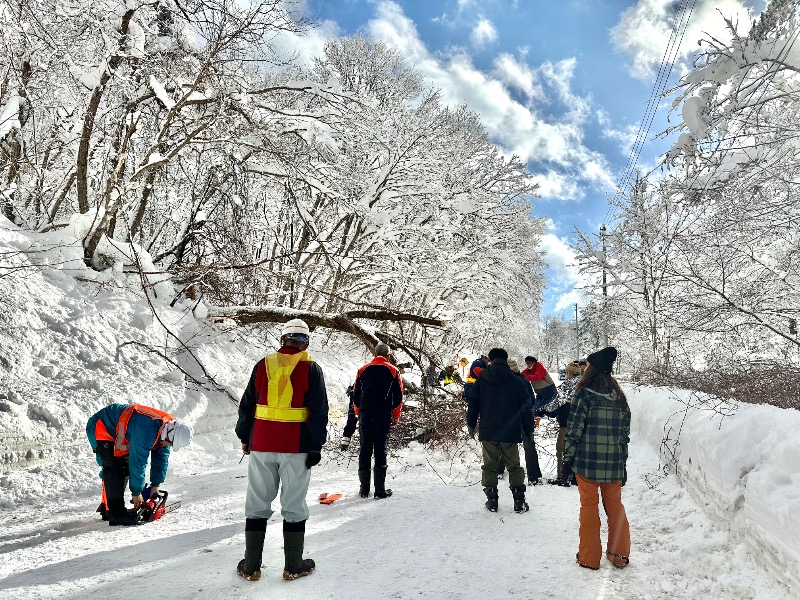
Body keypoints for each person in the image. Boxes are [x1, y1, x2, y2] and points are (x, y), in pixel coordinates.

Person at [235, 318, 329, 582]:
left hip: (262, 445)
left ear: (282, 340)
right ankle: (293, 566)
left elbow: (247, 406)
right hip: (296, 448)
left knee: (257, 503)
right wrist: (315, 446)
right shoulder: (312, 368)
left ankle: (251, 566)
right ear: (306, 342)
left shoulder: (263, 365)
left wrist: (245, 437)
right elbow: (319, 412)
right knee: (294, 505)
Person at [562, 346, 631, 571]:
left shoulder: (584, 395)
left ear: (592, 370)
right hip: (613, 466)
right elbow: (624, 436)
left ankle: (589, 558)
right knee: (616, 508)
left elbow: (573, 432)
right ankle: (619, 554)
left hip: (587, 464)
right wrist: (623, 463)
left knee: (589, 509)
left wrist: (567, 462)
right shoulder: (619, 399)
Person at [86, 403, 193, 526]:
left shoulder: (168, 429)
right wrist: (136, 493)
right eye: (169, 443)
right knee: (114, 468)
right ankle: (116, 514)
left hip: (120, 429)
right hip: (101, 425)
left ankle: (108, 508)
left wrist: (155, 485)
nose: (168, 445)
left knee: (123, 468)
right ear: (170, 434)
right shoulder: (148, 430)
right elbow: (138, 462)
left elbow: (161, 458)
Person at [466, 348, 534, 514]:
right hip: (510, 431)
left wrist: (471, 423)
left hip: (488, 430)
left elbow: (473, 402)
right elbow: (526, 407)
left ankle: (492, 501)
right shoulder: (516, 380)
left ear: (490, 360)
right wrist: (528, 428)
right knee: (514, 466)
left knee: (489, 465)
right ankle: (519, 501)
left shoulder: (482, 378)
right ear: (505, 359)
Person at [353, 343, 404, 499]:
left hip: (366, 414)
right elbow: (398, 397)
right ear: (388, 356)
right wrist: (395, 415)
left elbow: (356, 396)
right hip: (383, 415)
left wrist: (358, 413)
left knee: (365, 450)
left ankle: (364, 490)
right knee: (380, 450)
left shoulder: (362, 370)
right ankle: (379, 490)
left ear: (374, 355)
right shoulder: (394, 371)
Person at [544, 361, 582, 486]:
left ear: (570, 373)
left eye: (567, 372)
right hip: (582, 425)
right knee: (578, 450)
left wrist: (545, 411)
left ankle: (562, 476)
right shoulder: (586, 385)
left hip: (567, 423)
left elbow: (557, 403)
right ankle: (577, 477)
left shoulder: (567, 385)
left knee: (561, 449)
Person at [339, 383, 358, 451]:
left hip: (356, 391)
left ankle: (344, 444)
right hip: (358, 392)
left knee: (351, 420)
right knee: (352, 419)